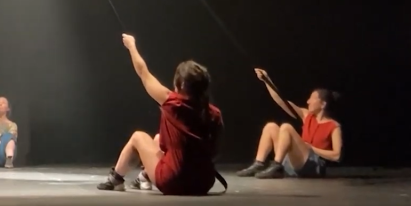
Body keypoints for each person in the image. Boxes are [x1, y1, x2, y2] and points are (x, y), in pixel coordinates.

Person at [98, 35, 223, 195]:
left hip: (174, 182)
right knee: (158, 139)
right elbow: (215, 150)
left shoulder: (174, 104)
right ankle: (144, 177)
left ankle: (115, 179)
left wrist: (131, 46)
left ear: (181, 84)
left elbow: (143, 73)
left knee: (138, 137)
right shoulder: (214, 113)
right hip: (204, 183)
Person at [236, 69, 342, 179]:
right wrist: (267, 80)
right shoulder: (306, 115)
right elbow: (282, 101)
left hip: (313, 166)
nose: (308, 101)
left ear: (323, 104)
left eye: (312, 98)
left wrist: (311, 148)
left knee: (287, 128)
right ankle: (259, 163)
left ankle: (277, 166)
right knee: (271, 127)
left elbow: (337, 156)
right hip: (296, 162)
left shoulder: (334, 126)